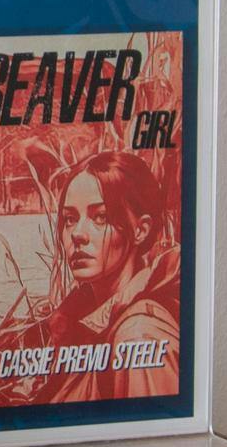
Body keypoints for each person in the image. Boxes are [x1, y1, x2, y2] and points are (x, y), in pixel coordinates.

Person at [46, 150, 180, 400]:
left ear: (140, 230)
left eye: (101, 217)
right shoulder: (86, 321)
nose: (78, 234)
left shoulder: (139, 337)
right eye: (69, 219)